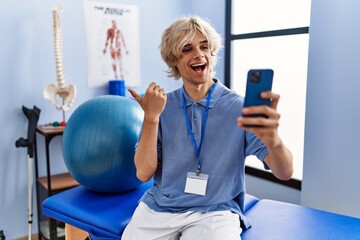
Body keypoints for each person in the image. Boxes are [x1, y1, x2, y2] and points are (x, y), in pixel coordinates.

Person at [124, 16, 293, 240]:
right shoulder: (162, 106)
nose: (199, 54)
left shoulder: (240, 108)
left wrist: (274, 141)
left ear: (212, 53)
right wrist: (151, 118)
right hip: (159, 209)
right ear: (173, 59)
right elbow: (143, 172)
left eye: (204, 46)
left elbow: (285, 173)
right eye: (187, 49)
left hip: (215, 212)